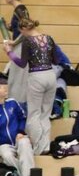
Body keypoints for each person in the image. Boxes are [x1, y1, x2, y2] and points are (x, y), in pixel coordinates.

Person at [2, 18, 57, 155]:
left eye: (21, 32)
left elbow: (22, 63)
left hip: (37, 76)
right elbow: (56, 60)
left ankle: (38, 148)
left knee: (34, 113)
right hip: (51, 75)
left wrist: (9, 52)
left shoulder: (28, 41)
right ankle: (45, 146)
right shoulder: (49, 38)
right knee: (46, 113)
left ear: (24, 29)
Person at [0, 82, 32, 176]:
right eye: (1, 87)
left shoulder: (12, 103)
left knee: (25, 143)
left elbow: (22, 117)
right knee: (6, 155)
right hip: (3, 144)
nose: (5, 89)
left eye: (5, 87)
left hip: (19, 137)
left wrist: (20, 132)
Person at [2, 0, 30, 102]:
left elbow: (27, 28)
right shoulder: (18, 9)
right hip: (19, 47)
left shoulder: (20, 10)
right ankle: (15, 102)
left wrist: (14, 42)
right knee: (15, 77)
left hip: (21, 47)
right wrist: (5, 26)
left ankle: (18, 104)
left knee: (18, 78)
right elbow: (18, 29)